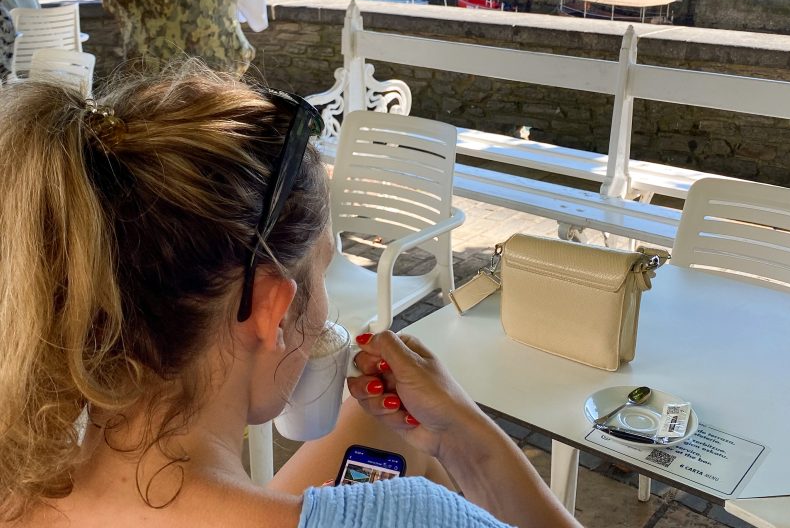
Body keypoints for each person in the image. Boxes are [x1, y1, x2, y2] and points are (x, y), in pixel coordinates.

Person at [0, 63, 581, 528]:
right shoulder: (413, 515)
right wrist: (470, 440)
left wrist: (446, 431)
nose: (324, 305)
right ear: (270, 310)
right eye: (321, 276)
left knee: (367, 423)